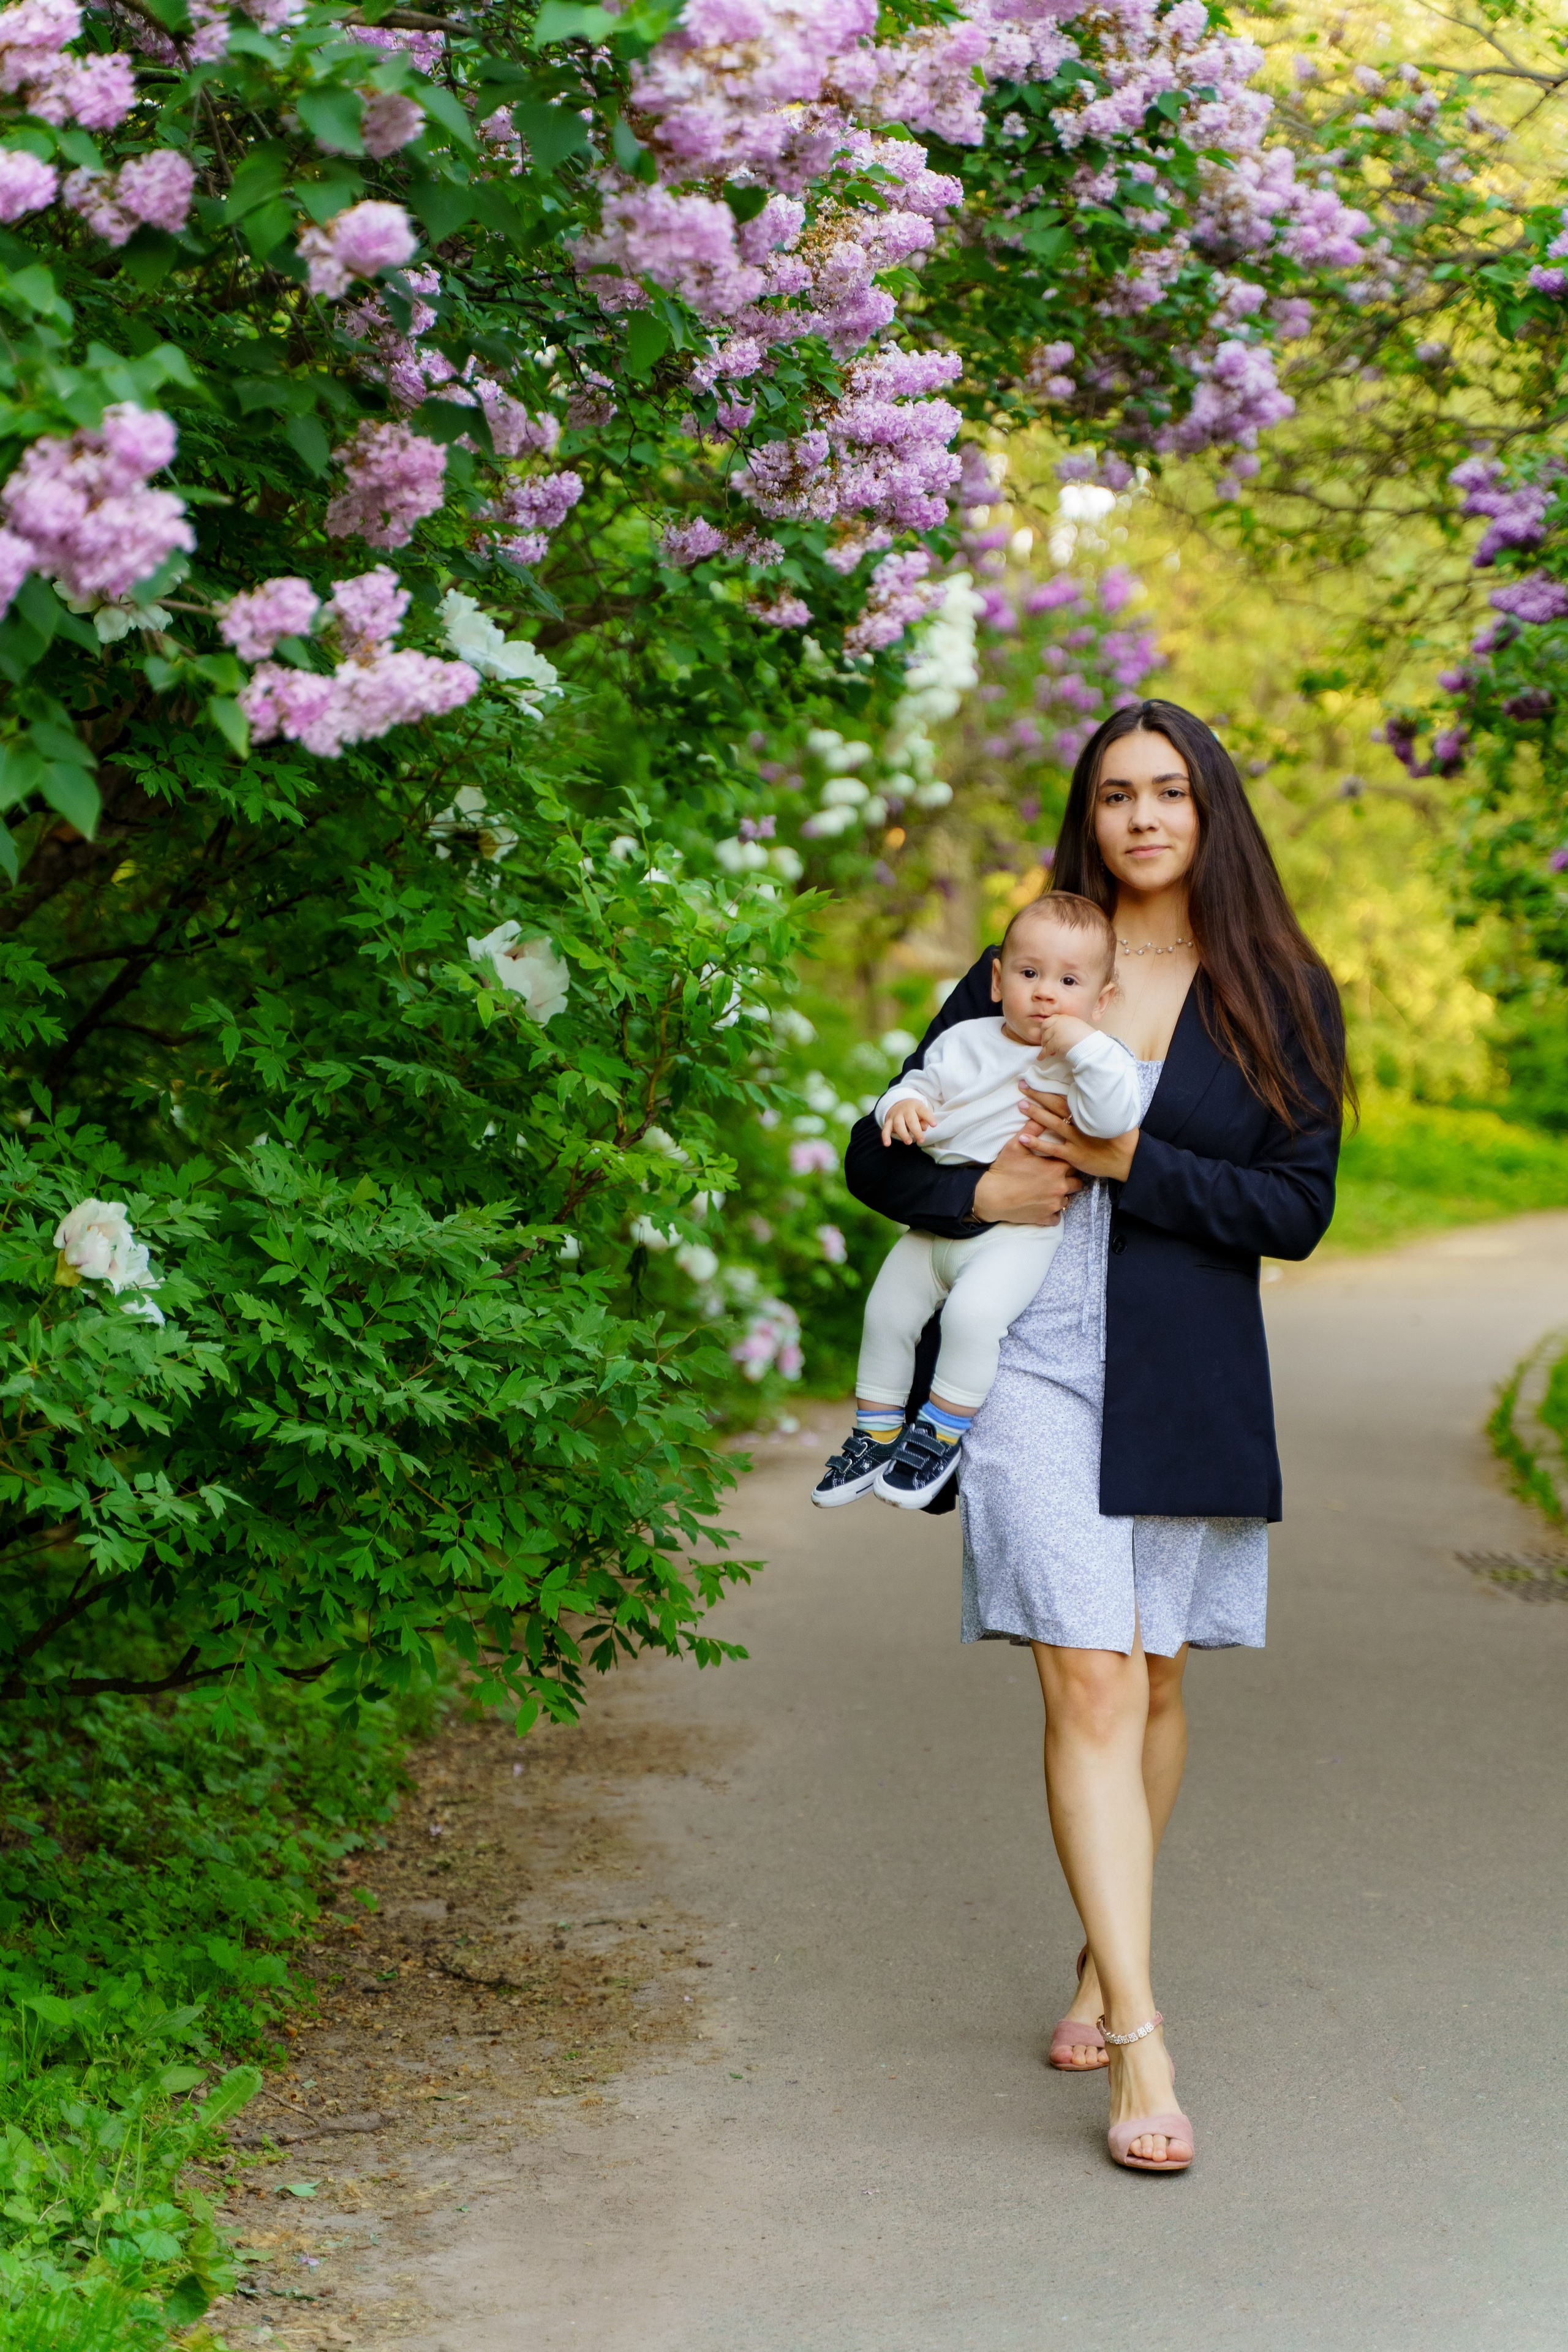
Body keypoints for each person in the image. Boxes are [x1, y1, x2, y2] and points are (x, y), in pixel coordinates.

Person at [843, 699, 1346, 2172]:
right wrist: (971, 1197)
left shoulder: (1277, 990)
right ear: (1088, 812)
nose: (1140, 816)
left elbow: (1295, 1208)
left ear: (1208, 810)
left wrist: (1132, 1158)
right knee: (1088, 1675)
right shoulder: (1027, 959)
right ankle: (1139, 2037)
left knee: (1154, 1673)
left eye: (1167, 791)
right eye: (1116, 791)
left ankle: (1094, 1954)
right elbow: (881, 1146)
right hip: (1025, 1354)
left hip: (1182, 1361)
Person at [812, 892, 1140, 1512]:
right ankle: (875, 1432)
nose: (1045, 994)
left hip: (1019, 1235)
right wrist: (902, 1106)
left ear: (1101, 1003)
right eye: (1029, 974)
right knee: (885, 1313)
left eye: (1069, 983)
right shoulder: (965, 1038)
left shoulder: (1088, 1064)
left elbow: (1111, 1119)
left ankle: (940, 1434)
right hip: (938, 1223)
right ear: (997, 980)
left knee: (971, 1319)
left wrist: (1084, 1045)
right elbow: (916, 1083)